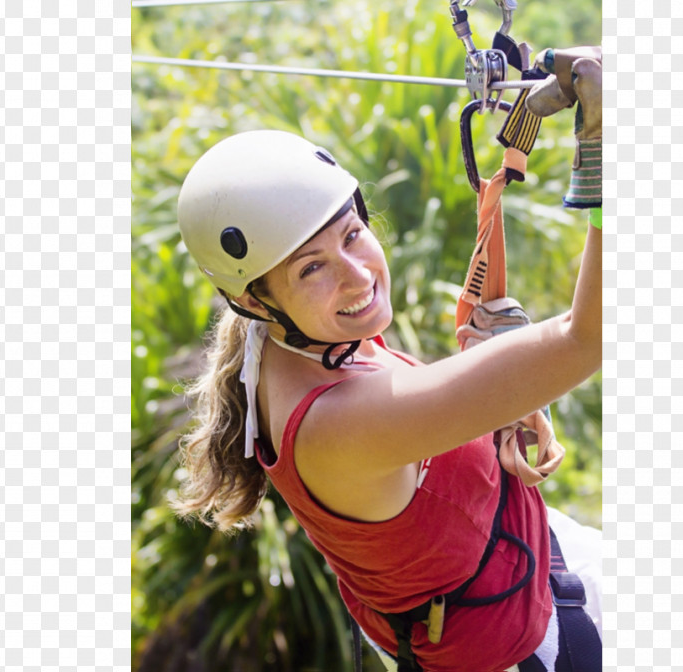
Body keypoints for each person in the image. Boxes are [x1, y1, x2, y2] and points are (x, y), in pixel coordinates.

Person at [172, 45, 602, 672]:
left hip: (515, 558)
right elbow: (584, 340)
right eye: (311, 268)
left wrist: (494, 402)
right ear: (253, 299)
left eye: (351, 234)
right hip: (524, 637)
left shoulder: (284, 338)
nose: (356, 276)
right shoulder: (337, 423)